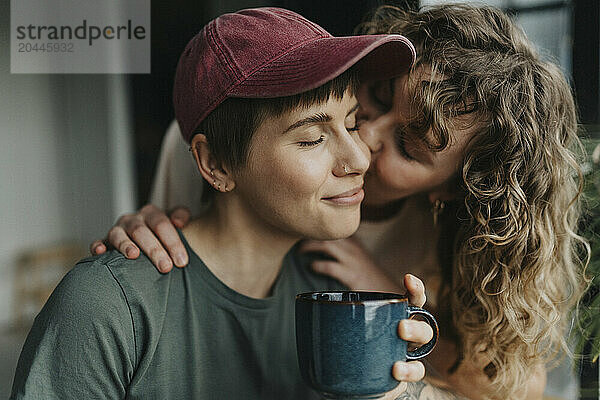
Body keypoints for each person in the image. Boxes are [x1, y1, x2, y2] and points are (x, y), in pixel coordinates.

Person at [93, 3, 589, 400]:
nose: (362, 141)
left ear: (452, 190)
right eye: (375, 95)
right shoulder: (211, 151)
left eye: (409, 148)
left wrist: (385, 297)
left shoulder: (453, 236)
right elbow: (178, 270)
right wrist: (143, 233)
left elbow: (517, 387)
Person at [10, 8, 442, 400]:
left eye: (352, 122)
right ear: (214, 163)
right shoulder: (107, 306)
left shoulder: (338, 302)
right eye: (312, 138)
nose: (360, 157)